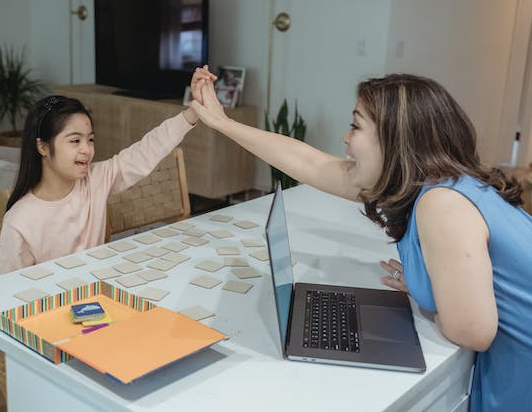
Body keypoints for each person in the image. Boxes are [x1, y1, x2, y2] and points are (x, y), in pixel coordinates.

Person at [189, 72, 532, 412]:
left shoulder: (442, 205)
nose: (346, 139)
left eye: (355, 126)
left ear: (395, 141)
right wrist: (222, 123)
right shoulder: (437, 182)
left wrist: (439, 296)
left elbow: (472, 331)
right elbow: (311, 163)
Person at [0, 67, 217, 275]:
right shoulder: (19, 220)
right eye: (75, 141)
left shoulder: (97, 178)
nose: (87, 150)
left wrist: (193, 111)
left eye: (90, 140)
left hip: (99, 296)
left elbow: (146, 151)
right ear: (42, 146)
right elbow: (7, 290)